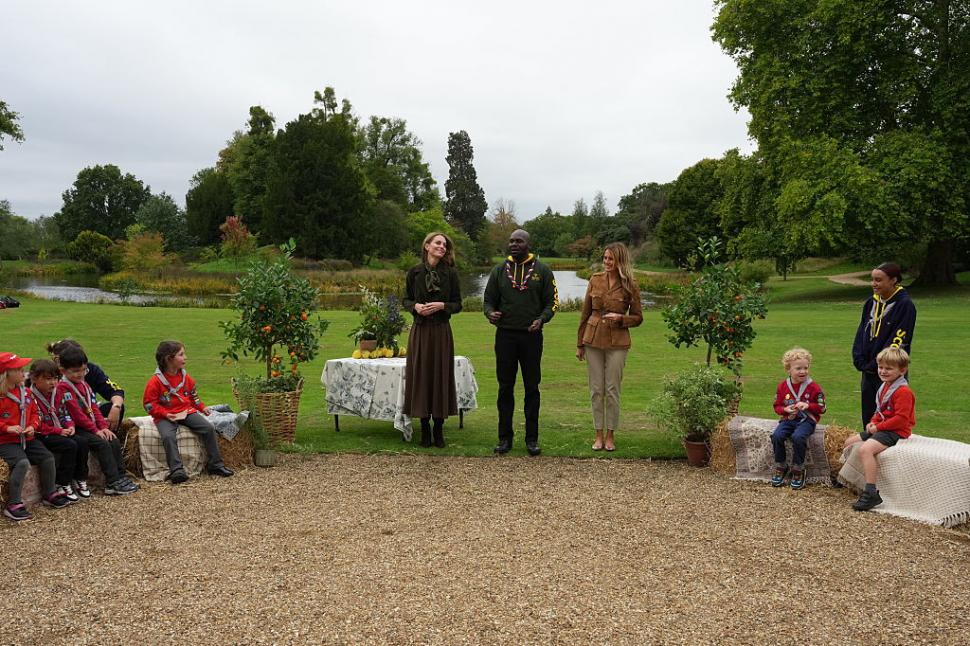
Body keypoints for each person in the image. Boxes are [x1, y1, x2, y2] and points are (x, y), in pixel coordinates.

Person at [483, 229, 559, 456]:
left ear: (528, 244)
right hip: (505, 336)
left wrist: (541, 319)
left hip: (531, 337)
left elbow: (552, 303)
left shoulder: (543, 271)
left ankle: (532, 439)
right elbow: (488, 301)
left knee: (531, 388)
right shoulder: (499, 270)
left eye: (519, 241)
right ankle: (504, 438)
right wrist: (490, 313)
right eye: (511, 241)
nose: (513, 244)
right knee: (505, 388)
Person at [575, 242, 643, 452]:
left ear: (620, 261)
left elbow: (639, 318)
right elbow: (585, 314)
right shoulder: (595, 280)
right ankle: (598, 435)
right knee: (596, 390)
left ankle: (611, 435)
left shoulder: (630, 284)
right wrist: (580, 344)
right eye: (605, 258)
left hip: (618, 342)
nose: (607, 262)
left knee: (612, 389)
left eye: (611, 259)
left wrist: (622, 318)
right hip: (593, 339)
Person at [402, 232, 462, 448]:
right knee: (422, 376)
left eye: (444, 245)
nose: (442, 247)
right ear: (426, 246)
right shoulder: (414, 272)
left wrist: (442, 306)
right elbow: (406, 299)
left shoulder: (451, 274)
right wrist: (415, 307)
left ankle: (438, 429)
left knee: (440, 375)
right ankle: (424, 428)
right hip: (420, 331)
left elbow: (458, 304)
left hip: (441, 331)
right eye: (437, 243)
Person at [143, 340, 234, 484]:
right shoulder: (155, 382)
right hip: (165, 416)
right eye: (181, 354)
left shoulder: (186, 377)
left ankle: (216, 465)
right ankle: (177, 470)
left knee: (209, 428)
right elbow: (149, 405)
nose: (185, 357)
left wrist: (201, 407)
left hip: (185, 411)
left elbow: (193, 395)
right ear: (169, 359)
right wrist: (165, 414)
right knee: (167, 436)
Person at [54, 345, 139, 495]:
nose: (80, 374)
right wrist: (96, 430)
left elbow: (93, 407)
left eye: (83, 370)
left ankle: (121, 476)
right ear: (63, 371)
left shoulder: (84, 384)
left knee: (112, 438)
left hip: (89, 424)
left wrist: (103, 427)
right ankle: (112, 482)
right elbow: (77, 415)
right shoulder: (63, 388)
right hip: (75, 427)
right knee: (102, 443)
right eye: (75, 371)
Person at [843, 347, 915, 512]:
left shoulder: (903, 391)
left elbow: (901, 419)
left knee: (865, 450)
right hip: (883, 428)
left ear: (902, 370)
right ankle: (852, 479)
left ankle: (871, 492)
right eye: (880, 367)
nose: (883, 371)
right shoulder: (885, 386)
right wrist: (872, 422)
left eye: (888, 368)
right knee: (848, 442)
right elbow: (880, 410)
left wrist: (878, 427)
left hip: (896, 431)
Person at [1, 352, 71, 521]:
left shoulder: (25, 392)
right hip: (5, 441)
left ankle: (49, 493)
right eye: (18, 369)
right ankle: (13, 504)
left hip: (27, 438)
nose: (23, 372)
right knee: (22, 463)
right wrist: (8, 428)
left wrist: (33, 426)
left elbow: (35, 413)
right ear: (6, 374)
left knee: (47, 458)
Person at [852, 262, 916, 427]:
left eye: (879, 280)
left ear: (893, 280)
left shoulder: (904, 305)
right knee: (869, 414)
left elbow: (899, 338)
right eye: (872, 279)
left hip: (889, 368)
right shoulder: (871, 303)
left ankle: (891, 450)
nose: (874, 284)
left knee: (889, 413)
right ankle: (868, 445)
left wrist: (878, 363)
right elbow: (862, 330)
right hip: (868, 368)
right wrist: (857, 356)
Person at [48, 339, 128, 441]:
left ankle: (109, 438)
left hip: (88, 411)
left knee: (115, 408)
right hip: (66, 418)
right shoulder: (50, 375)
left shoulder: (90, 370)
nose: (81, 373)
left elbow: (115, 390)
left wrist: (116, 407)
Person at [769, 347, 826, 490]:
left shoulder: (813, 387)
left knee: (798, 437)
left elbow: (822, 408)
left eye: (805, 368)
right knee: (777, 436)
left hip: (807, 420)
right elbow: (777, 406)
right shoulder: (782, 386)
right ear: (788, 369)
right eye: (798, 368)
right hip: (789, 419)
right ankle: (781, 465)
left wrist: (807, 405)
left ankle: (798, 468)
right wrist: (785, 410)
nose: (803, 371)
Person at [29, 359, 81, 502]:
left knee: (81, 441)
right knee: (70, 445)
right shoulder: (31, 396)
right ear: (34, 379)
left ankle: (79, 478)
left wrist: (70, 425)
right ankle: (61, 482)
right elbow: (37, 425)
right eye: (47, 379)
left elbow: (64, 413)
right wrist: (58, 431)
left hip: (58, 430)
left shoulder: (57, 393)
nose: (52, 383)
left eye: (55, 379)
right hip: (42, 435)